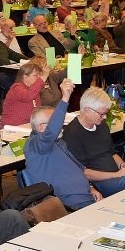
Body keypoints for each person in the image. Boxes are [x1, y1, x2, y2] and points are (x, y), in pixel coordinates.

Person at [25, 79, 104, 210]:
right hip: (68, 205)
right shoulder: (36, 144)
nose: (60, 126)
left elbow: (79, 169)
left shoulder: (59, 143)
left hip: (86, 197)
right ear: (40, 128)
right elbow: (52, 131)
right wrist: (65, 98)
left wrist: (90, 188)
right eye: (55, 123)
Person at [64, 87, 125, 196]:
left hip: (114, 175)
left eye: (105, 114)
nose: (104, 117)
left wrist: (123, 165)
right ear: (87, 110)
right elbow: (82, 172)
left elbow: (111, 152)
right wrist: (117, 175)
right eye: (101, 114)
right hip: (98, 182)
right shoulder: (72, 133)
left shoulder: (101, 125)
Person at [1, 61, 47, 126]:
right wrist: (44, 77)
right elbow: (28, 96)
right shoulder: (16, 88)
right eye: (36, 75)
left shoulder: (34, 90)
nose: (39, 78)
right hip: (12, 128)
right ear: (25, 77)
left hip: (27, 126)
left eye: (40, 75)